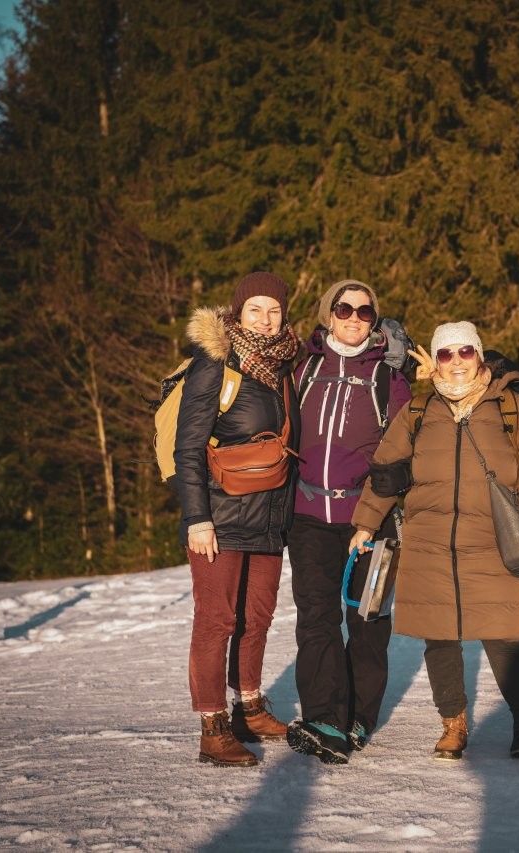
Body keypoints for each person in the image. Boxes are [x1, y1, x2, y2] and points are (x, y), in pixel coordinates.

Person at [349, 322, 519, 772]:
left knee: (506, 640)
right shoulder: (419, 409)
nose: (457, 361)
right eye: (446, 354)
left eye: (466, 351)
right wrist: (366, 522)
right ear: (438, 361)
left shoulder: (509, 405)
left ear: (480, 356)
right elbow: (386, 469)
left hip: (492, 540)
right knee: (440, 638)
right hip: (430, 543)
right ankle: (453, 722)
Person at [173, 271, 300, 767]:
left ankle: (249, 705)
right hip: (220, 516)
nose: (266, 320)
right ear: (238, 312)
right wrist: (196, 518)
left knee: (258, 616)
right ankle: (212, 726)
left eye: (274, 310)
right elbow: (188, 449)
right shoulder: (215, 365)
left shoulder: (286, 364)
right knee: (216, 620)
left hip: (268, 514)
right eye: (255, 310)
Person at [284, 279, 413, 766]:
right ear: (328, 314)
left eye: (365, 312)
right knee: (316, 618)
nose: (355, 318)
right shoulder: (303, 369)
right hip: (309, 516)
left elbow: (400, 457)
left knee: (368, 620)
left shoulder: (388, 379)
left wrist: (374, 516)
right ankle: (324, 716)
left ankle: (360, 715)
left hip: (373, 521)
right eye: (345, 309)